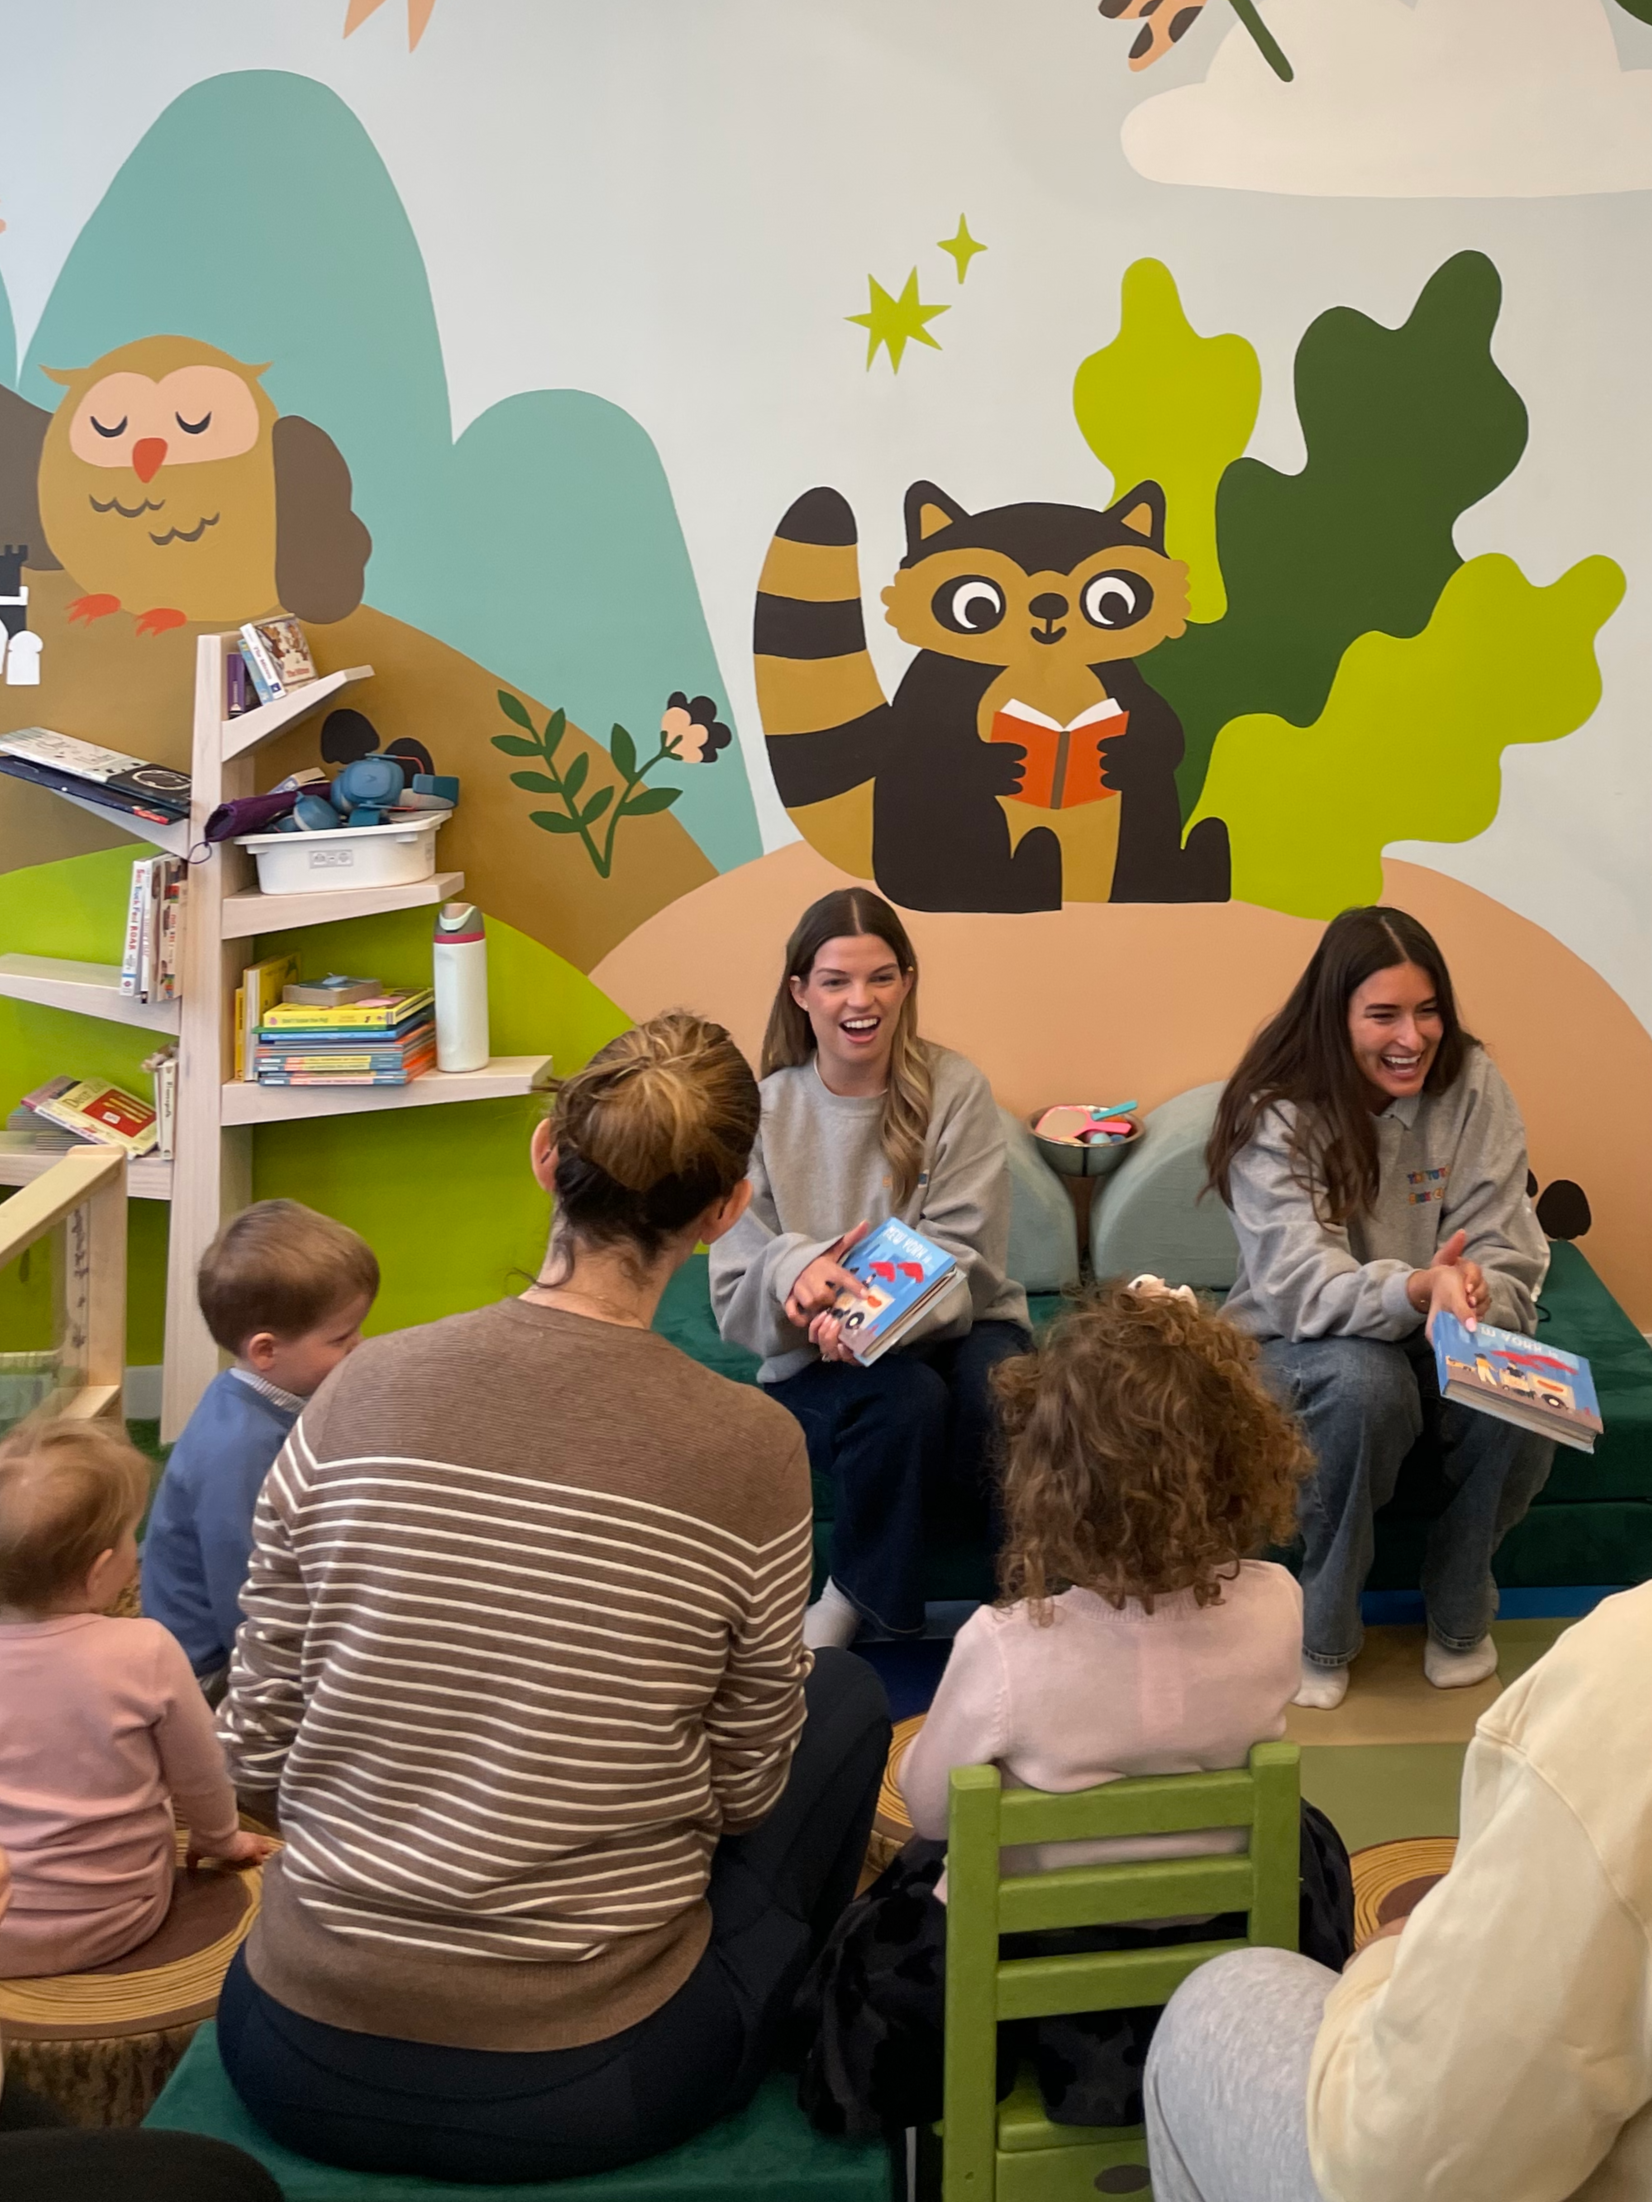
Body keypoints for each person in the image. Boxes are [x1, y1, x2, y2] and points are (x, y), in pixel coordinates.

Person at [213, 1013, 891, 2184]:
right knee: (844, 1695)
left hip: (288, 2039)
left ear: (545, 1155)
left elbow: (255, 1753)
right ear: (728, 1209)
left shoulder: (359, 1385)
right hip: (589, 2075)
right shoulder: (750, 1446)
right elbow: (742, 1791)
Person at [797, 1282, 1353, 2138]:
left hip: (1038, 1942)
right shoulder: (1279, 1603)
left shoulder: (1008, 1644)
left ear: (1049, 1477)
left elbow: (934, 1805)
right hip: (1222, 1926)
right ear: (1243, 1455)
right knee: (1309, 1829)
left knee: (882, 1930)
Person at [1142, 1580, 1652, 2202]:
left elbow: (1405, 2171)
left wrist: (1380, 1958)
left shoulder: (1627, 1674)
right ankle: (1457, 1629)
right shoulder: (1272, 1598)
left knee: (1217, 1999)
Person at [1206, 906, 1553, 1711]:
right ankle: (1322, 1628)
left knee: (1531, 1390)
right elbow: (1301, 1286)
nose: (1413, 1036)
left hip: (1441, 1327)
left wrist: (1475, 1291)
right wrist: (1415, 1288)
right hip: (1297, 1343)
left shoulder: (1473, 1084)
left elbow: (1509, 1245)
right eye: (1384, 1015)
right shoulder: (1275, 1107)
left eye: (1427, 1010)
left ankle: (1462, 1606)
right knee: (1367, 1386)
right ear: (1336, 1018)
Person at [710, 887, 1030, 1649]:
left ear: (908, 983)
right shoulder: (763, 1112)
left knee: (1002, 1395)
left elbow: (970, 1259)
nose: (862, 1000)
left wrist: (864, 1312)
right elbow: (735, 1291)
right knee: (904, 1401)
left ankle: (1030, 1597)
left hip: (962, 1324)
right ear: (800, 992)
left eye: (882, 977)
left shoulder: (955, 1091)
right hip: (813, 1356)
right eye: (836, 981)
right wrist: (798, 1273)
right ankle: (861, 1598)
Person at [0, 1420, 269, 1978]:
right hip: (116, 1916)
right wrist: (223, 1837)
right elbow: (202, 1773)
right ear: (101, 1574)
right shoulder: (143, 1649)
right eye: (129, 1536)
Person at [142, 1200, 377, 1697]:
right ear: (265, 1350)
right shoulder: (240, 1450)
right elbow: (246, 1594)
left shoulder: (263, 1398)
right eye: (341, 1337)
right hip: (204, 1667)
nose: (361, 1345)